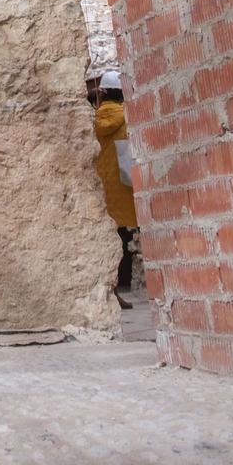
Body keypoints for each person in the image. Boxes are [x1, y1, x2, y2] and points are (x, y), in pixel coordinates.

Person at [91, 70, 139, 298]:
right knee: (127, 235)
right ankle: (128, 282)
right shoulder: (128, 117)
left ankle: (113, 289)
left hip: (101, 188)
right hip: (124, 186)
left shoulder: (92, 122)